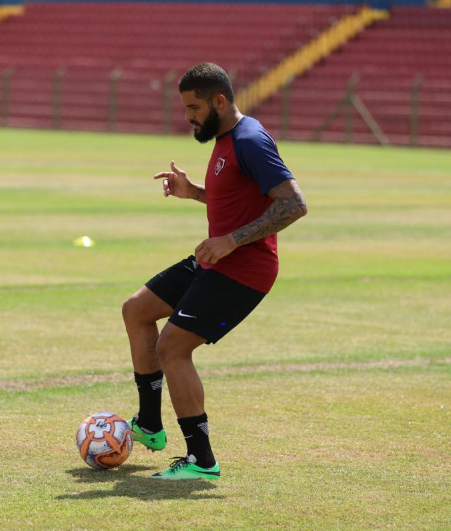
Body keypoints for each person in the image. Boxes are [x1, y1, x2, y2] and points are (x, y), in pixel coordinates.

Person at [122, 62, 308, 480]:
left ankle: (202, 461)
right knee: (136, 309)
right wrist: (194, 193)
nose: (188, 117)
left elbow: (294, 204)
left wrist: (232, 240)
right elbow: (240, 199)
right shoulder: (225, 139)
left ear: (219, 101)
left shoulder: (250, 140)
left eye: (194, 108)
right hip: (217, 260)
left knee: (172, 348)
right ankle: (149, 425)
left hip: (244, 272)